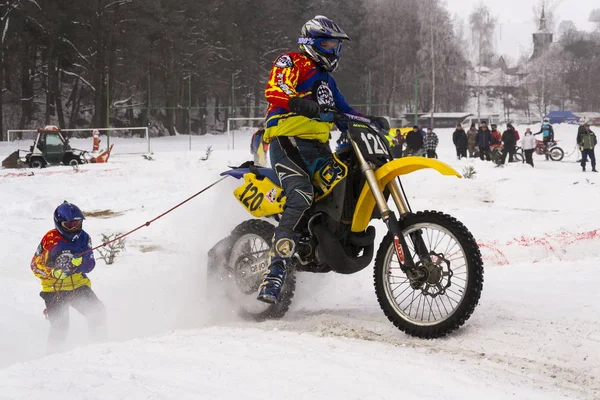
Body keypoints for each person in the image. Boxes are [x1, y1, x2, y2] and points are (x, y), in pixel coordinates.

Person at [257, 15, 386, 303]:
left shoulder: (327, 79)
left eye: (336, 46)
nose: (333, 50)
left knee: (344, 185)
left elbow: (345, 111)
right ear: (311, 43)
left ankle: (324, 241)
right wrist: (298, 103)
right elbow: (276, 89)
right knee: (302, 194)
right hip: (286, 142)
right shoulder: (291, 61)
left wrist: (371, 121)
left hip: (317, 148)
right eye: (328, 43)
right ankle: (275, 271)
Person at [30, 201, 105, 351]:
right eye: (68, 225)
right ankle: (50, 359)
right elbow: (34, 266)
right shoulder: (50, 239)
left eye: (76, 224)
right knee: (60, 326)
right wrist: (53, 272)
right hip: (53, 290)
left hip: (78, 286)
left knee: (98, 312)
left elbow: (90, 265)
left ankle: (100, 349)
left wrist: (80, 264)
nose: (73, 228)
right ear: (59, 223)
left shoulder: (84, 238)